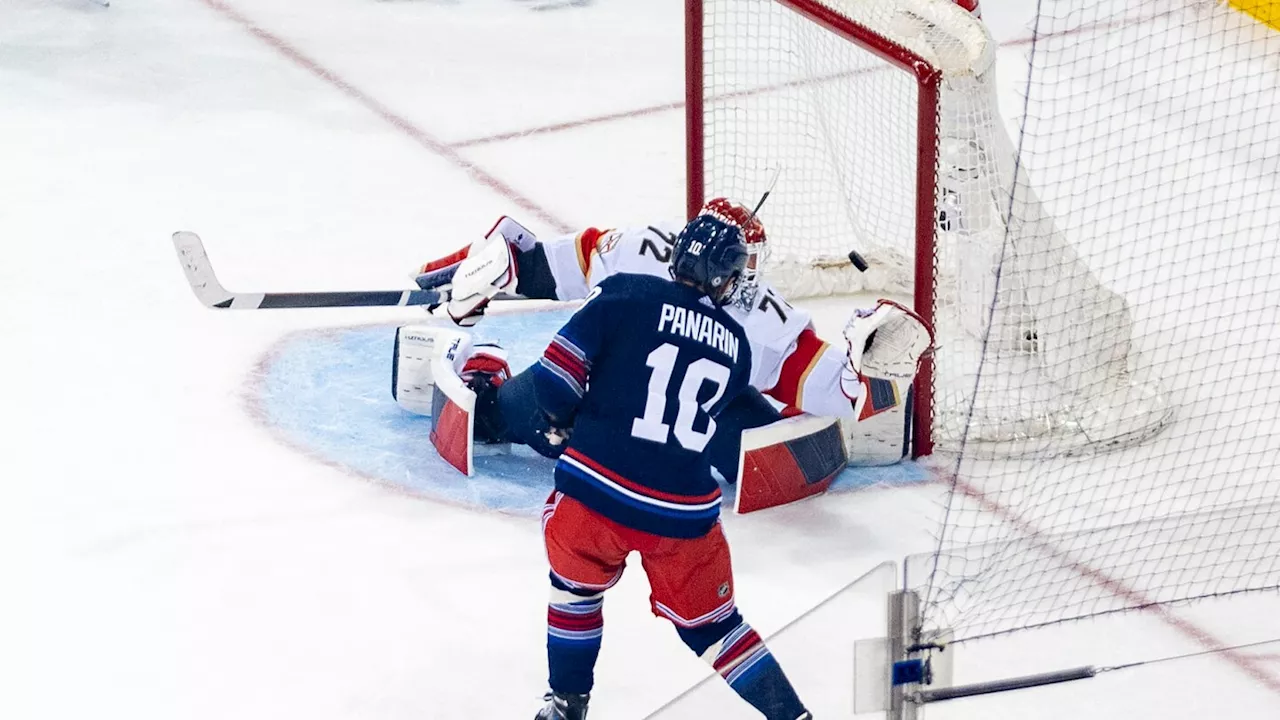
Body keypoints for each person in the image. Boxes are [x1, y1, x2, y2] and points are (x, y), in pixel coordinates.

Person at [521, 209, 813, 720]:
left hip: (594, 495)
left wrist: (562, 422)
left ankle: (567, 705)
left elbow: (553, 380)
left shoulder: (625, 292)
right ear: (724, 279)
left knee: (574, 592)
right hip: (681, 515)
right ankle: (794, 717)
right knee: (718, 628)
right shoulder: (737, 347)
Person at [412, 199, 932, 475]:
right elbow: (555, 266)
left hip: (693, 417)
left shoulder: (764, 318)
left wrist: (866, 377)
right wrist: (504, 266)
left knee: (748, 450)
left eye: (749, 264)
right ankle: (489, 373)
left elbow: (823, 382)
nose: (742, 275)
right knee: (499, 416)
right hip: (605, 389)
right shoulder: (641, 248)